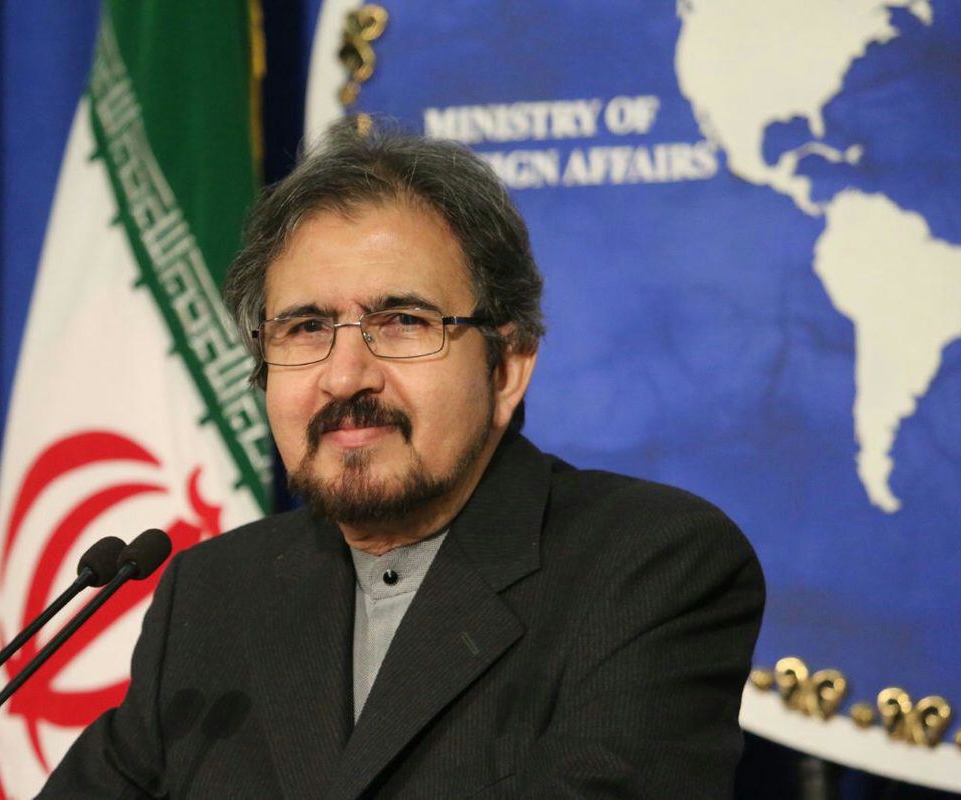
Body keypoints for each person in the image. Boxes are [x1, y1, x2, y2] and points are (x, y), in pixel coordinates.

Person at [40, 118, 765, 799]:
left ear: (507, 367)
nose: (344, 375)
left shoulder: (648, 564)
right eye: (305, 327)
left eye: (402, 322)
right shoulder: (213, 594)